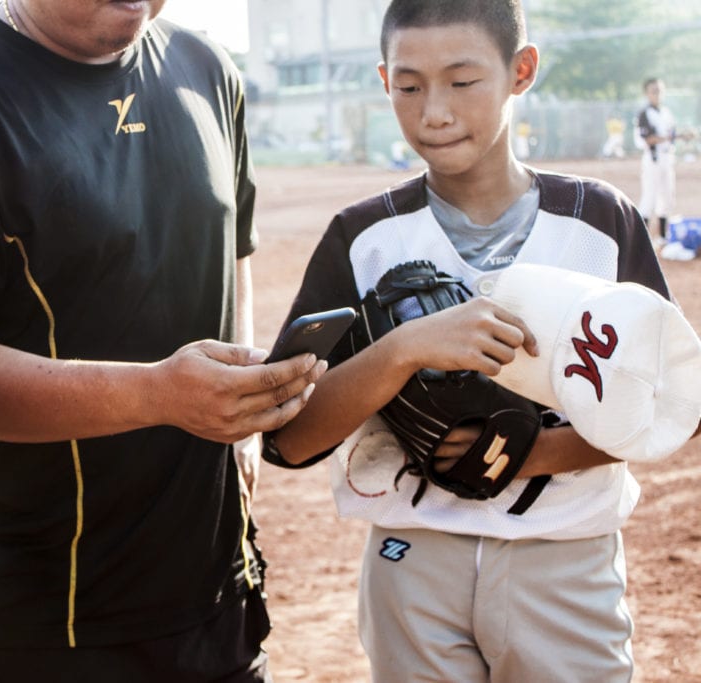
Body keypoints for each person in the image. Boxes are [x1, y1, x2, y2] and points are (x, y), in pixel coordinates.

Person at [0, 1, 323, 680]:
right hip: (52, 613)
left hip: (218, 588)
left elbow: (233, 241)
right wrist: (161, 394)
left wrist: (238, 424)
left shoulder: (208, 67)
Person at [261, 1, 692, 680]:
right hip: (412, 563)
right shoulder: (362, 236)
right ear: (383, 81)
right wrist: (402, 348)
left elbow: (675, 404)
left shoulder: (600, 221)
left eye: (462, 82)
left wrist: (533, 452)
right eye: (408, 86)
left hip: (563, 559)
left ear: (521, 71)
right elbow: (288, 440)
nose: (434, 111)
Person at [635, 77, 693, 256]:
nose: (657, 94)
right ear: (647, 93)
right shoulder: (645, 113)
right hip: (652, 159)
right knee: (649, 197)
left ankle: (662, 236)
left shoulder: (666, 112)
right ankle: (642, 240)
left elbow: (671, 134)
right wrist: (669, 138)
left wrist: (683, 136)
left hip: (667, 158)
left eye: (660, 90)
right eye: (654, 90)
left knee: (667, 197)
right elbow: (648, 138)